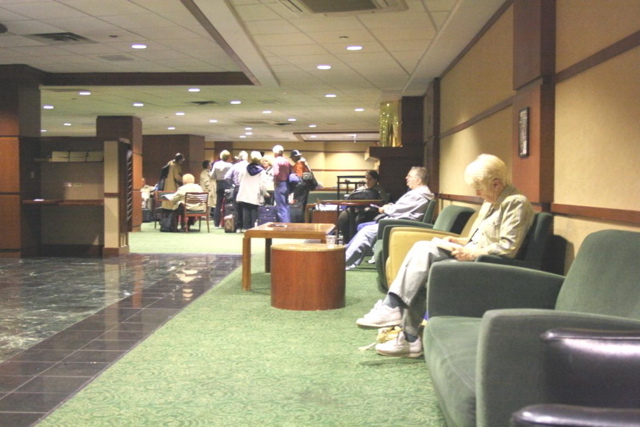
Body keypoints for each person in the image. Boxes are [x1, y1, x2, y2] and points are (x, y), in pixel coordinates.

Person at [358, 154, 535, 358]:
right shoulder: (490, 202)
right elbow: (481, 238)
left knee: (425, 252)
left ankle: (394, 310)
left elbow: (508, 247)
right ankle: (408, 335)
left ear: (496, 183)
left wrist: (471, 252)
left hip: (489, 267)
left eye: (479, 188)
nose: (477, 193)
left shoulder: (516, 203)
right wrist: (461, 242)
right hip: (472, 256)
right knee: (421, 255)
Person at [345, 167, 433, 269]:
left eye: (409, 176)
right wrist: (390, 206)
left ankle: (344, 261)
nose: (406, 178)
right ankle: (346, 257)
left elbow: (396, 211)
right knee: (363, 227)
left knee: (366, 232)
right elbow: (402, 208)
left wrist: (385, 209)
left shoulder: (418, 195)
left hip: (401, 225)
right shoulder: (418, 193)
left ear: (418, 180)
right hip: (398, 222)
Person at [338, 170, 390, 242]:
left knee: (359, 219)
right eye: (366, 178)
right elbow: (350, 199)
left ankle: (358, 241)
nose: (367, 181)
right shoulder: (360, 189)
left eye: (370, 179)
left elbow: (384, 203)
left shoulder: (379, 190)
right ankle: (348, 241)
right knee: (343, 217)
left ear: (375, 180)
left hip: (371, 210)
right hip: (355, 208)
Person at [236, 151, 268, 231]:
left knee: (245, 210)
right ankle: (254, 228)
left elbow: (239, 179)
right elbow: (262, 185)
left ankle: (245, 228)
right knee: (254, 212)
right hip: (254, 194)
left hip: (244, 193)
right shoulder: (261, 171)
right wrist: (265, 193)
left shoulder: (244, 168)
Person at [225, 151, 249, 232]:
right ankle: (246, 226)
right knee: (246, 208)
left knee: (237, 208)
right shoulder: (249, 166)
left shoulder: (235, 166)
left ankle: (239, 227)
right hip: (247, 188)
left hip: (237, 188)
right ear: (247, 158)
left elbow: (226, 177)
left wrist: (232, 184)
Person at [212, 150, 232, 227]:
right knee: (228, 204)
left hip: (219, 184)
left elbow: (212, 175)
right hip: (227, 184)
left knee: (218, 203)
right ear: (228, 157)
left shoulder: (216, 164)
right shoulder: (230, 165)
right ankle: (226, 223)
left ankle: (216, 223)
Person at [272, 145, 291, 222]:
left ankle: (284, 224)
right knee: (286, 206)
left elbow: (276, 173)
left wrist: (275, 182)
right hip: (286, 184)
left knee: (281, 207)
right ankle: (288, 223)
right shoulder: (286, 161)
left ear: (275, 153)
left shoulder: (276, 161)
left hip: (280, 184)